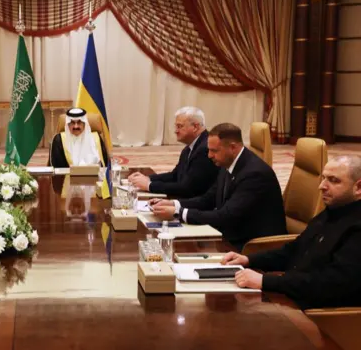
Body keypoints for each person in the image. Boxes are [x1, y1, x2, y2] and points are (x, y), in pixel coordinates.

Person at [223, 155, 361, 309]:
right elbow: (294, 250)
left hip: (322, 316)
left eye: (333, 180)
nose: (322, 186)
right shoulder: (332, 211)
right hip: (291, 296)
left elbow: (332, 283)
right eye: (323, 178)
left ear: (358, 188)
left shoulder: (356, 227)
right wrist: (248, 260)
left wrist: (265, 281)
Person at [151, 123, 286, 249]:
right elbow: (207, 199)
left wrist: (178, 213)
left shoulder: (254, 174)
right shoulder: (227, 162)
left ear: (233, 147)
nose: (209, 155)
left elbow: (226, 216)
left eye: (214, 151)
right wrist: (174, 204)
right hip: (231, 235)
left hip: (250, 246)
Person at [128, 107, 218, 198]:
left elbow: (188, 188)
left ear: (195, 127)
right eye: (176, 126)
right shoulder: (190, 147)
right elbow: (175, 175)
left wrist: (149, 185)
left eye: (180, 126)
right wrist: (148, 178)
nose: (176, 131)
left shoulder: (204, 149)